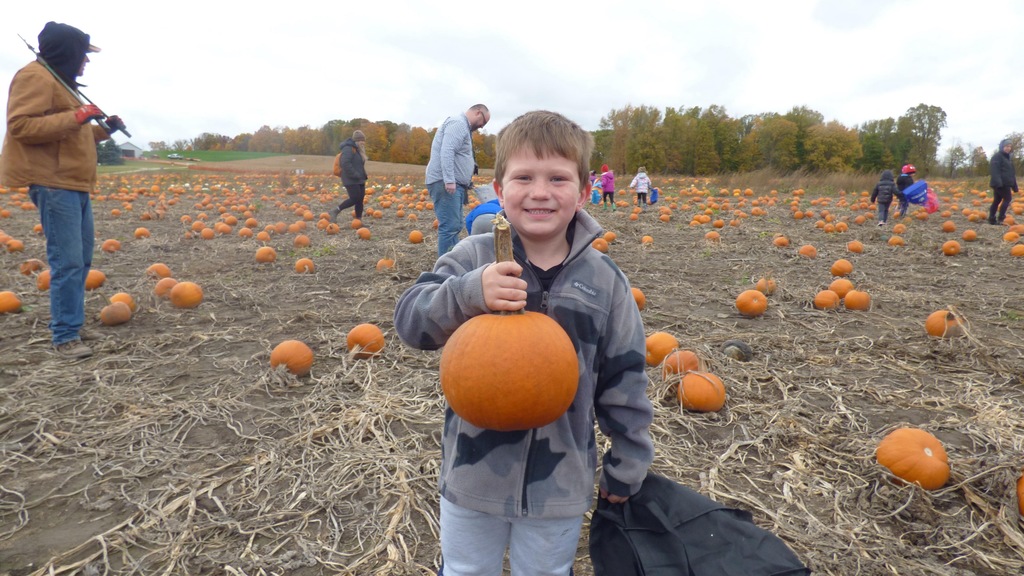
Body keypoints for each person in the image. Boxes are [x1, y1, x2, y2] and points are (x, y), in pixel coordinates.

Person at [395, 110, 654, 576]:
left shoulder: (605, 281)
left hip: (560, 482)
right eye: (524, 177)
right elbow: (412, 323)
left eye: (557, 178)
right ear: (499, 190)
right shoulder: (470, 257)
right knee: (465, 570)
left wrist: (629, 461)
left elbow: (626, 377)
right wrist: (469, 293)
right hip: (472, 474)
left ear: (584, 191)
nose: (539, 192)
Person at [2, 22, 125, 359]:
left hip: (73, 181)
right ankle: (65, 335)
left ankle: (73, 323)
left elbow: (74, 135)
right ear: (68, 52)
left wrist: (105, 130)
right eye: (83, 54)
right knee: (67, 261)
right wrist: (77, 116)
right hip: (53, 182)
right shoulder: (35, 77)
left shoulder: (59, 82)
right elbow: (21, 125)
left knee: (81, 260)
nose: (86, 61)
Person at [425, 104, 490, 256]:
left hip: (454, 184)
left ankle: (454, 260)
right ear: (478, 112)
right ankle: (446, 266)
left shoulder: (463, 127)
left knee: (455, 225)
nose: (482, 126)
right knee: (450, 227)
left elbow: (459, 154)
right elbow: (447, 151)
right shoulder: (458, 123)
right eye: (484, 122)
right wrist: (449, 180)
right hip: (445, 183)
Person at [328, 130, 369, 221]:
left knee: (360, 200)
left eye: (364, 140)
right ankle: (335, 210)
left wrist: (363, 175)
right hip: (350, 179)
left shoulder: (358, 150)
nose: (363, 142)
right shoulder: (348, 149)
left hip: (359, 179)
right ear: (356, 141)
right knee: (354, 198)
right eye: (361, 140)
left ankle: (358, 221)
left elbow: (358, 165)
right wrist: (355, 174)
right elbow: (345, 164)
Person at [989, 138, 1018, 225]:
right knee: (1007, 199)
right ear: (1002, 147)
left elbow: (1011, 173)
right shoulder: (997, 157)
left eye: (1009, 146)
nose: (1008, 148)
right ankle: (1001, 218)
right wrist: (998, 183)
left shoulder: (1008, 158)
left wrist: (1014, 186)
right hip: (1001, 183)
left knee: (997, 200)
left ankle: (992, 218)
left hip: (1005, 183)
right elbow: (995, 170)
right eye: (1006, 146)